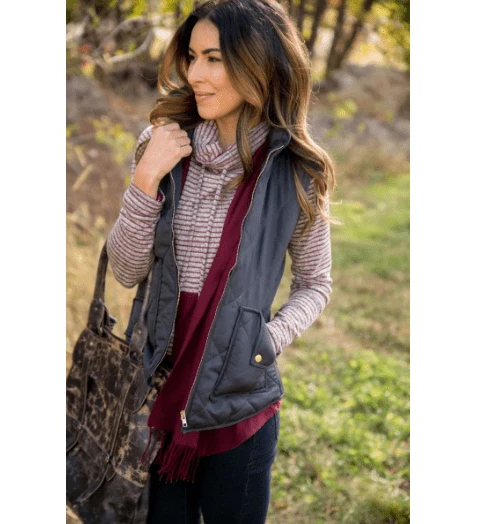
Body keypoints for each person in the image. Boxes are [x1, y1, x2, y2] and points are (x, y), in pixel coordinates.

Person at [106, 0, 337, 522]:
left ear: (260, 64)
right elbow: (126, 270)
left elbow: (315, 282)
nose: (195, 75)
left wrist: (265, 340)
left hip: (239, 401)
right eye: (192, 57)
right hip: (161, 389)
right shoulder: (162, 148)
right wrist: (145, 179)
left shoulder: (295, 172)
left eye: (214, 59)